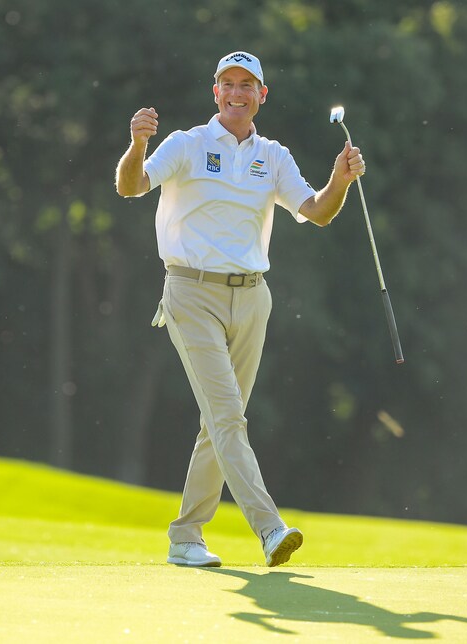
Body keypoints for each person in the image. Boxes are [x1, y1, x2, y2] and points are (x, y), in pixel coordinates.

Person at [115, 51, 365, 567]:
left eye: (246, 85)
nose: (236, 93)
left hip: (253, 297)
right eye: (227, 84)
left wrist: (339, 181)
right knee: (228, 416)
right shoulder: (186, 144)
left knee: (220, 422)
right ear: (215, 93)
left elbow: (316, 211)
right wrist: (137, 143)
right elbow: (131, 186)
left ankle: (185, 537)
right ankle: (270, 529)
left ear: (261, 95)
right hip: (190, 292)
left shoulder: (273, 156)